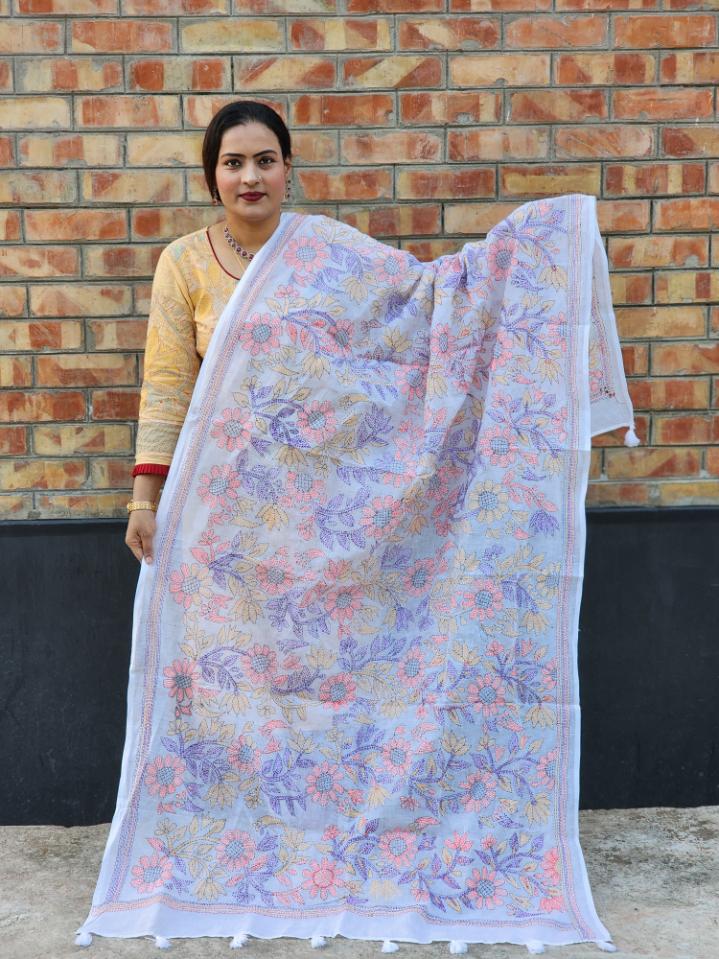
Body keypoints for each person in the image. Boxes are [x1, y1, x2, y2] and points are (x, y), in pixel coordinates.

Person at [125, 100, 293, 564]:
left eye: (265, 161)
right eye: (233, 163)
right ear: (212, 178)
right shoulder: (185, 263)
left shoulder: (326, 254)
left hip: (311, 488)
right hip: (217, 489)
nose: (251, 178)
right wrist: (143, 502)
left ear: (287, 169)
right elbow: (167, 384)